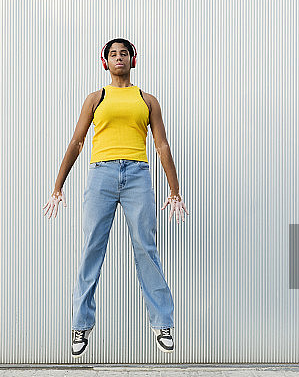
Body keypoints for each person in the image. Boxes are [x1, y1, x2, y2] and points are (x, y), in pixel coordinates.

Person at [42, 38, 189, 358]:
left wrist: (174, 190)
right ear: (104, 61)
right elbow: (77, 142)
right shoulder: (96, 98)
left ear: (133, 60)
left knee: (145, 248)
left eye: (124, 53)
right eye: (113, 54)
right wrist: (58, 186)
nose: (118, 57)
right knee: (92, 247)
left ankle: (162, 321)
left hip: (137, 174)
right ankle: (81, 323)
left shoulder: (147, 100)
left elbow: (162, 145)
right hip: (102, 175)